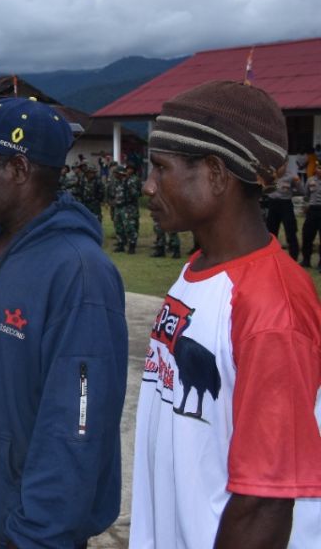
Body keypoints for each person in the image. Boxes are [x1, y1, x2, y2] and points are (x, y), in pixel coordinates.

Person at [0, 98, 128, 548]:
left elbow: (76, 426)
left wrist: (37, 535)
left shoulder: (79, 273)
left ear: (18, 170)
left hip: (27, 534)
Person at [130, 80, 321, 548]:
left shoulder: (272, 306)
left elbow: (265, 502)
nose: (148, 186)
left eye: (160, 168)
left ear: (215, 174)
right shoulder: (197, 270)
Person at [264, 166, 303, 260]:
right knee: (271, 232)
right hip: (273, 203)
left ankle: (294, 257)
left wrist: (297, 184)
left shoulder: (291, 176)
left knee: (291, 231)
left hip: (286, 204)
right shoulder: (270, 175)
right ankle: (270, 258)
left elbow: (301, 191)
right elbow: (265, 189)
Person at [302, 164, 321, 269]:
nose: (320, 170)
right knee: (307, 235)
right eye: (319, 168)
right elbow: (306, 195)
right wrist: (305, 207)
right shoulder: (310, 180)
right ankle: (306, 260)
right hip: (312, 210)